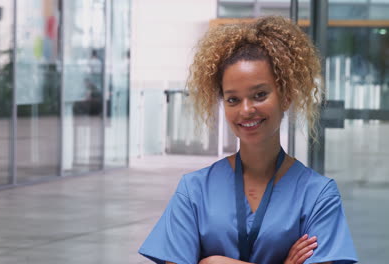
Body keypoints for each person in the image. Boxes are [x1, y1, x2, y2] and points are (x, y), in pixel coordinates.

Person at [138, 16, 358, 264]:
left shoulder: (318, 195)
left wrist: (213, 262)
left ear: (285, 97)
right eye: (233, 99)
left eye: (260, 94)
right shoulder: (194, 190)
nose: (246, 110)